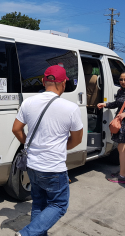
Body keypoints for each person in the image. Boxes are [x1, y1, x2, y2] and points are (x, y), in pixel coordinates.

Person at [12, 65, 83, 236]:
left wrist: (27, 143)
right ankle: (26, 234)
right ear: (64, 83)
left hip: (33, 165)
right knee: (59, 205)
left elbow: (16, 129)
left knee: (39, 204)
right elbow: (77, 139)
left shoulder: (28, 103)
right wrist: (60, 147)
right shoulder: (71, 108)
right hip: (53, 168)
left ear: (44, 81)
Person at [97, 72, 125, 184]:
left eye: (124, 79)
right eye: (121, 79)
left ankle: (122, 176)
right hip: (120, 122)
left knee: (122, 149)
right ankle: (122, 171)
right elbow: (116, 104)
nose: (122, 82)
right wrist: (106, 104)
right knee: (120, 149)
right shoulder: (120, 91)